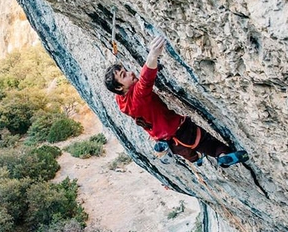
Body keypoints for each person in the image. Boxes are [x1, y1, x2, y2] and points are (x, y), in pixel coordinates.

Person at [104, 36, 249, 167]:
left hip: (170, 144)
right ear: (121, 89)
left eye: (126, 70)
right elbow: (145, 82)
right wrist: (152, 55)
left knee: (189, 153)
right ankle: (223, 156)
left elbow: (136, 87)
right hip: (182, 131)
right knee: (210, 144)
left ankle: (196, 159)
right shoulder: (137, 98)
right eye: (124, 75)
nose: (130, 73)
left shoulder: (121, 101)